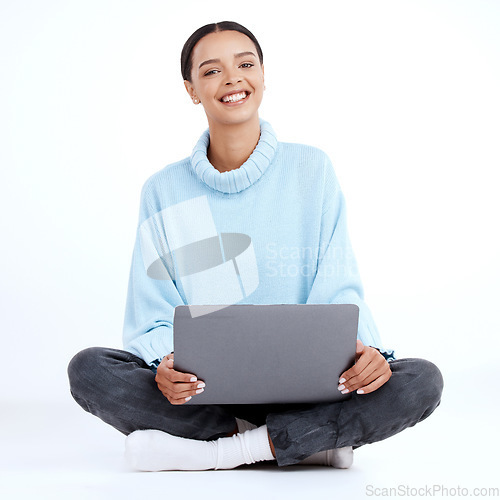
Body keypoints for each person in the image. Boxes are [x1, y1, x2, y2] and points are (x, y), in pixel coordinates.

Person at [67, 21, 444, 472]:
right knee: (90, 369)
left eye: (245, 64)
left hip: (309, 389)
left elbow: (339, 288)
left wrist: (366, 355)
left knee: (420, 381)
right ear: (191, 89)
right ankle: (302, 442)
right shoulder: (163, 191)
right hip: (207, 394)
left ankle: (226, 451)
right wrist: (166, 364)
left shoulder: (312, 170)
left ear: (263, 76)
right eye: (211, 71)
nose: (232, 79)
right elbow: (151, 314)